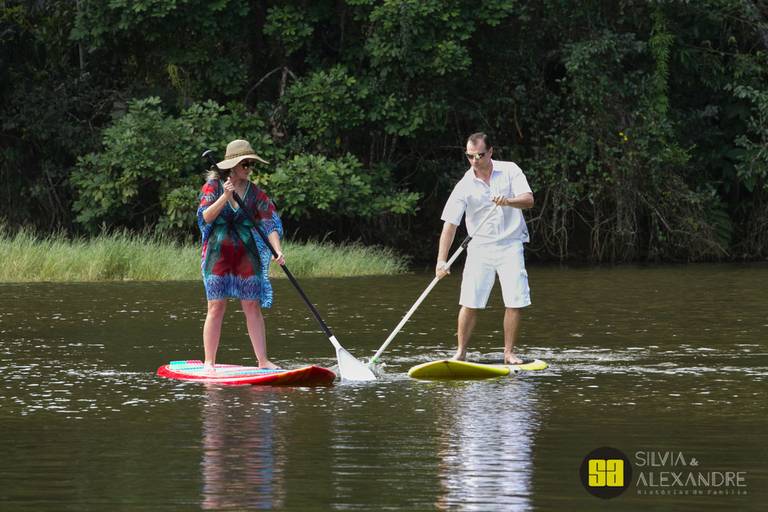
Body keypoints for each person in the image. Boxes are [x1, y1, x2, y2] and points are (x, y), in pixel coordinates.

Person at [436, 132, 534, 365]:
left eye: (479, 155)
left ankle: (508, 353)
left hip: (510, 244)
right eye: (470, 156)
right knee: (469, 301)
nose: (474, 160)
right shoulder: (464, 185)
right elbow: (450, 225)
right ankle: (461, 352)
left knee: (515, 300)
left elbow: (528, 200)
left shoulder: (510, 170)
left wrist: (508, 201)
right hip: (480, 247)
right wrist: (441, 260)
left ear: (490, 152)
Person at [197, 139, 286, 371]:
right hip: (218, 253)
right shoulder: (214, 187)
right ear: (233, 166)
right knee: (216, 306)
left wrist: (277, 249)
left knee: (252, 305)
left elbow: (270, 222)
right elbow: (205, 217)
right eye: (245, 164)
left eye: (250, 164)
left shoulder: (255, 193)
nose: (249, 169)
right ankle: (209, 362)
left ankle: (263, 361)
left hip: (246, 253)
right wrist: (225, 197)